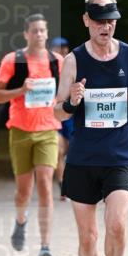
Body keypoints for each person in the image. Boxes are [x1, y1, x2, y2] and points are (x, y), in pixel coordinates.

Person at [54, 0, 128, 256]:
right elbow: (58, 113)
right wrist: (71, 102)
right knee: (88, 235)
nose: (106, 28)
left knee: (118, 224)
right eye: (99, 21)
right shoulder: (73, 60)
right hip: (82, 158)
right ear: (86, 21)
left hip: (120, 154)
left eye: (111, 21)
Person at [0, 14, 62, 256]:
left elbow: (67, 94)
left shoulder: (57, 61)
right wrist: (20, 90)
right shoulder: (13, 60)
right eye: (35, 31)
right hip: (20, 130)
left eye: (43, 30)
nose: (40, 35)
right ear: (26, 34)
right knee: (24, 192)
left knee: (45, 183)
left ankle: (45, 247)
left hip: (48, 130)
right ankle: (21, 221)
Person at [50, 37, 73, 200]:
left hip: (73, 114)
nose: (61, 51)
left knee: (73, 149)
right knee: (59, 150)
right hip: (54, 113)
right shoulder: (48, 67)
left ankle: (74, 180)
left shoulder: (74, 64)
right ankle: (63, 184)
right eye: (58, 48)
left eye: (64, 48)